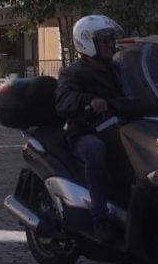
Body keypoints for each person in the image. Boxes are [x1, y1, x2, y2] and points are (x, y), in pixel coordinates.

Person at [55, 14, 148, 242]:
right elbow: (63, 101)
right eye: (104, 40)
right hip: (85, 133)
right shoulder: (73, 73)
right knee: (95, 150)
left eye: (111, 39)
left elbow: (138, 90)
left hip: (117, 129)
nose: (109, 44)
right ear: (87, 43)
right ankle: (100, 220)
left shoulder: (118, 70)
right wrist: (87, 100)